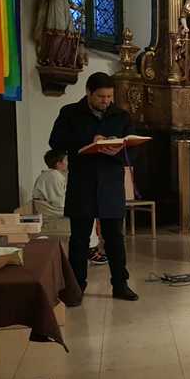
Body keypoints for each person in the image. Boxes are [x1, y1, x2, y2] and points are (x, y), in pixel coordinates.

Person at [49, 72, 138, 301]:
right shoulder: (70, 112)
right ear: (88, 92)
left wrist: (118, 149)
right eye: (101, 97)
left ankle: (120, 285)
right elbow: (55, 142)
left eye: (109, 97)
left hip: (111, 184)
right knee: (79, 239)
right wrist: (90, 139)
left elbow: (133, 150)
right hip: (83, 183)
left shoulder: (121, 116)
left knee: (115, 239)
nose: (106, 101)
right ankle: (76, 288)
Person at [32, 150, 106, 264]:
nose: (68, 163)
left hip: (51, 208)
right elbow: (58, 201)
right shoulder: (53, 175)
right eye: (66, 160)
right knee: (85, 215)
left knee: (86, 212)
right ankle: (89, 251)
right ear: (59, 163)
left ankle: (90, 249)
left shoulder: (51, 174)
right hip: (51, 211)